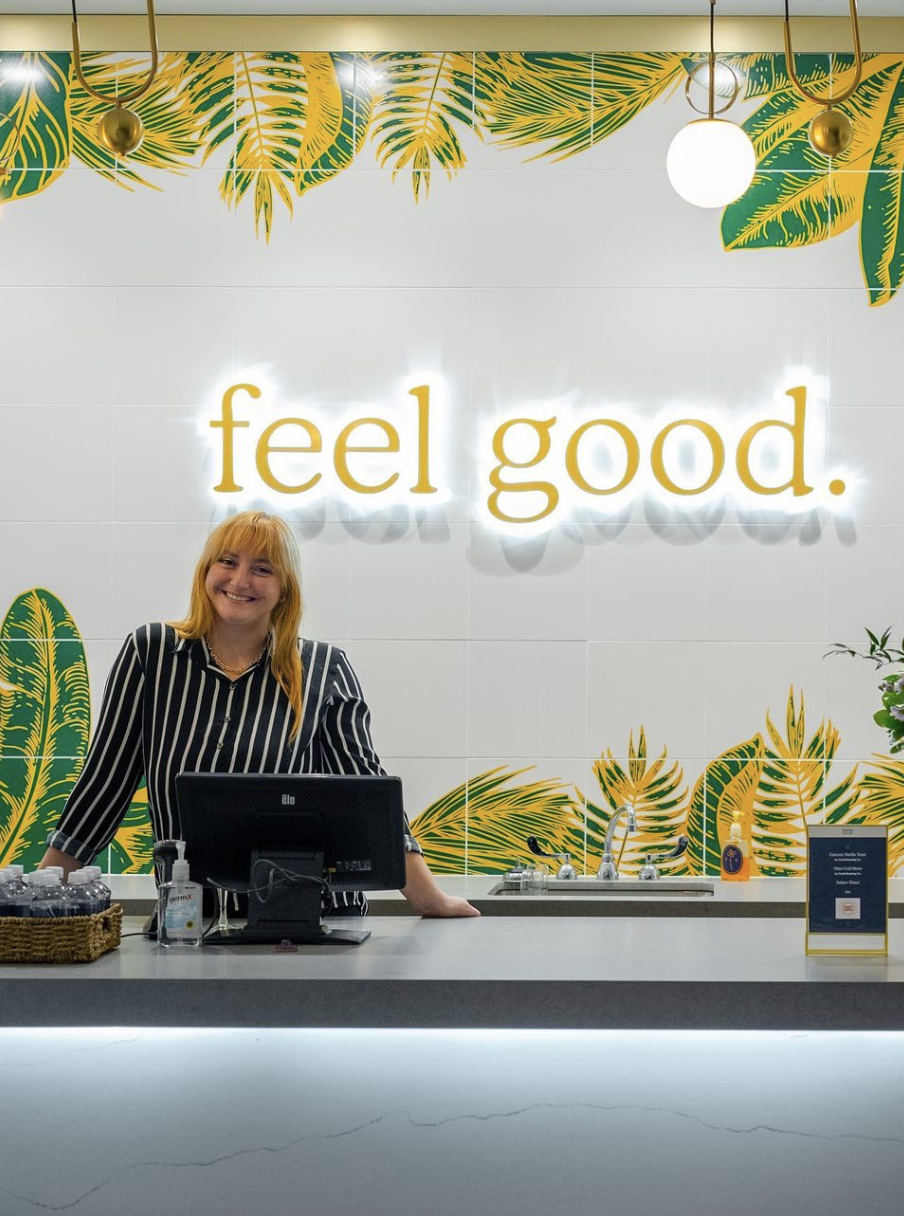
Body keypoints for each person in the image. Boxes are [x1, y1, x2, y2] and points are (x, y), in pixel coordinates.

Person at [41, 510, 479, 920]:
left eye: (263, 569)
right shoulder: (152, 652)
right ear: (206, 572)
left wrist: (429, 899)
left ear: (284, 588)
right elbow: (104, 783)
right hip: (190, 921)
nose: (240, 580)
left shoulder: (324, 668)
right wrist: (38, 896)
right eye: (228, 562)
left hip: (314, 917)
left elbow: (367, 793)